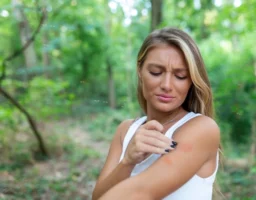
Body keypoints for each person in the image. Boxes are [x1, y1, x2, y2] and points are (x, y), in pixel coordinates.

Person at [92, 27, 220, 200]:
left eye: (180, 76)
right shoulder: (125, 131)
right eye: (156, 72)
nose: (167, 85)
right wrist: (127, 162)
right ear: (140, 70)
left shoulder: (203, 129)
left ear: (191, 81)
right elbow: (98, 196)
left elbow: (141, 192)